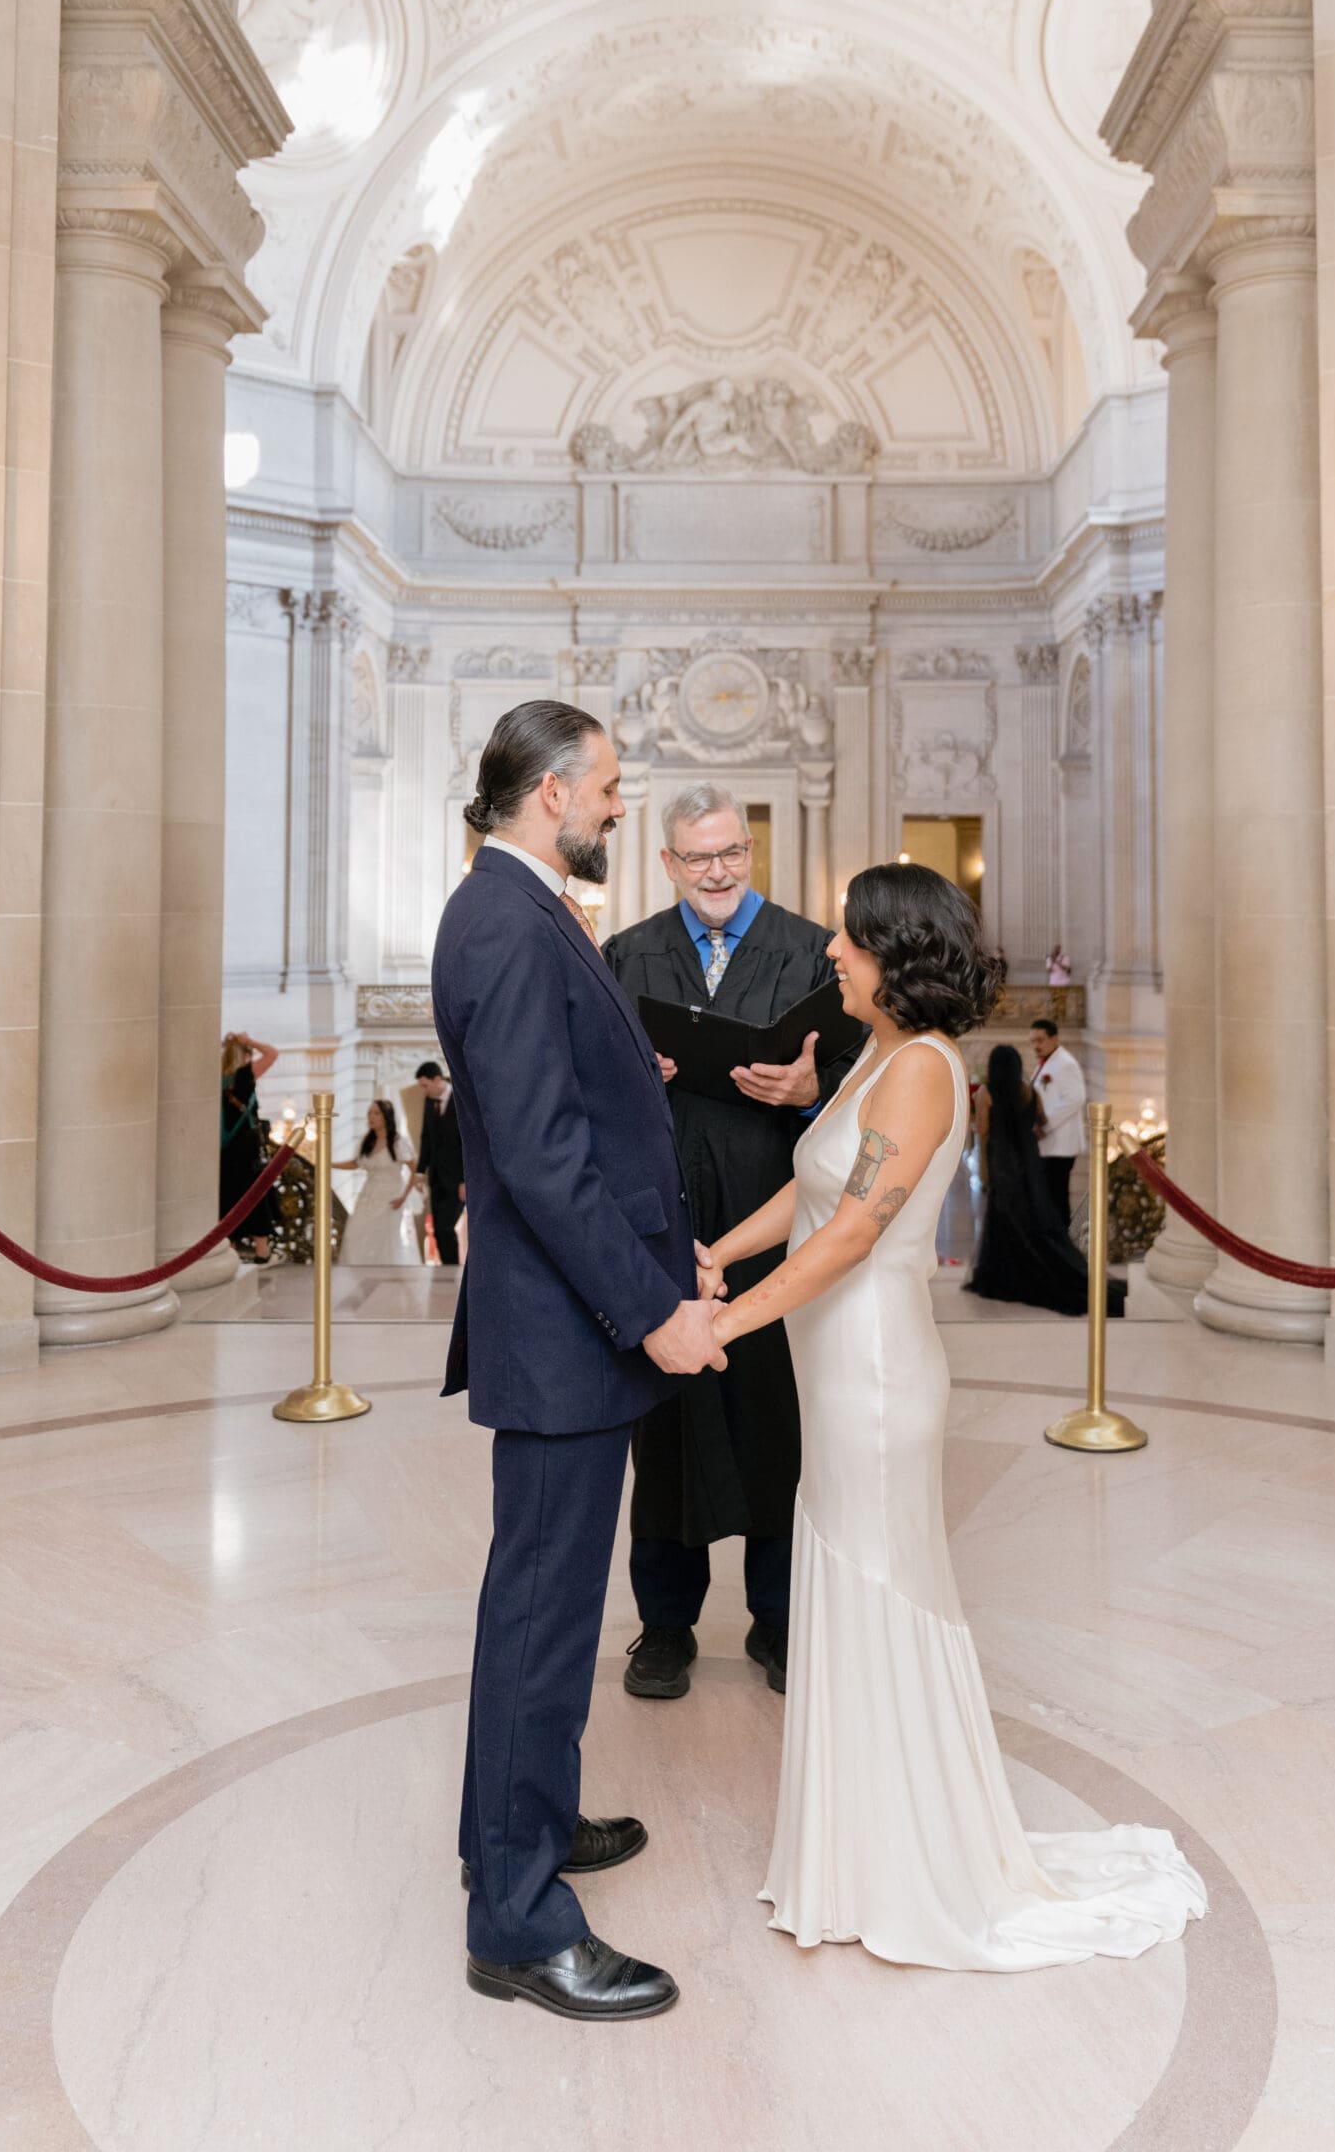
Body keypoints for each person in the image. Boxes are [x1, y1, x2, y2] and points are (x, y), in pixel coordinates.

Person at [699, 865, 1203, 1971]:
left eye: (852, 939)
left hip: (874, 1373)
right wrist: (719, 1252)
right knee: (847, 1578)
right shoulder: (870, 1055)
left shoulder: (924, 1072)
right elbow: (812, 1191)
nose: (832, 951)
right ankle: (858, 1848)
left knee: (881, 1585)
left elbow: (850, 1237)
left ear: (900, 955)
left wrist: (724, 1323)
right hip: (833, 1365)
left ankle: (910, 1862)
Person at [433, 698, 727, 2024]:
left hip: (570, 1330)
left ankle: (521, 1826)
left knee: (546, 1612)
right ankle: (515, 1918)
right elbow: (542, 1161)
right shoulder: (502, 916)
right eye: (606, 786)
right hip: (561, 1335)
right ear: (549, 791)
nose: (619, 804)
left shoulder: (523, 907)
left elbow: (566, 1104)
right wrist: (650, 1308)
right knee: (542, 1617)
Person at [604, 783, 864, 1703]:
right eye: (695, 857)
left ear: (750, 853)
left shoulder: (811, 950)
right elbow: (588, 1085)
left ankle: (780, 1621)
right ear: (666, 862)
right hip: (665, 1230)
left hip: (775, 1218)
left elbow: (865, 1089)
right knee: (664, 1423)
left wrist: (805, 1092)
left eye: (730, 855)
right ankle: (664, 1628)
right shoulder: (627, 955)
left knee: (776, 1421)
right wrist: (640, 1075)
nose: (715, 873)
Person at [964, 1045, 1124, 1316]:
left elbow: (982, 1129)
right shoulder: (1029, 1091)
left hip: (1002, 1164)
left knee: (1004, 1219)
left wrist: (983, 1165)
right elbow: (1041, 1121)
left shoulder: (986, 1093)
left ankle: (1005, 1275)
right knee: (1031, 1218)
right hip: (1029, 1163)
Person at [332, 1097, 421, 1267]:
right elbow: (355, 1163)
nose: (371, 1117)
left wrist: (403, 1197)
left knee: (385, 1237)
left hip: (391, 1196)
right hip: (368, 1194)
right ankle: (361, 1273)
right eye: (369, 1113)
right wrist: (329, 1164)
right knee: (355, 1232)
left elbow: (414, 1170)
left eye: (376, 1113)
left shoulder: (397, 1142)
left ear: (386, 1117)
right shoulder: (368, 1141)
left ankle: (386, 1275)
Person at [220, 1031, 280, 1264]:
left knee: (228, 1195)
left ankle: (230, 1246)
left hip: (225, 1149)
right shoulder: (247, 1074)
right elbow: (273, 1054)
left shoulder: (218, 1078)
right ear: (245, 1055)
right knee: (254, 1195)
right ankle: (261, 1250)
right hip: (246, 1148)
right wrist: (251, 1041)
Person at [1030, 1015, 1086, 1225]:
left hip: (1061, 1145)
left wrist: (1046, 1124)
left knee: (1057, 1197)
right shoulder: (1047, 1063)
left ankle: (1060, 1240)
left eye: (1040, 1040)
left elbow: (1075, 1098)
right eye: (1033, 1041)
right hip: (1049, 1145)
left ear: (1054, 1039)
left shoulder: (1065, 1064)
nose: (1036, 1045)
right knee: (1050, 1196)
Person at [413, 1060, 465, 1264]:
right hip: (436, 1178)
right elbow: (426, 1139)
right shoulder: (429, 1102)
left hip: (458, 1181)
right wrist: (419, 1173)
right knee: (437, 1230)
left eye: (425, 1085)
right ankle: (446, 1272)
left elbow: (470, 1145)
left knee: (446, 1228)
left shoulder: (461, 1099)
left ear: (438, 1080)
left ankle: (453, 1271)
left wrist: (466, 1180)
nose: (423, 1091)